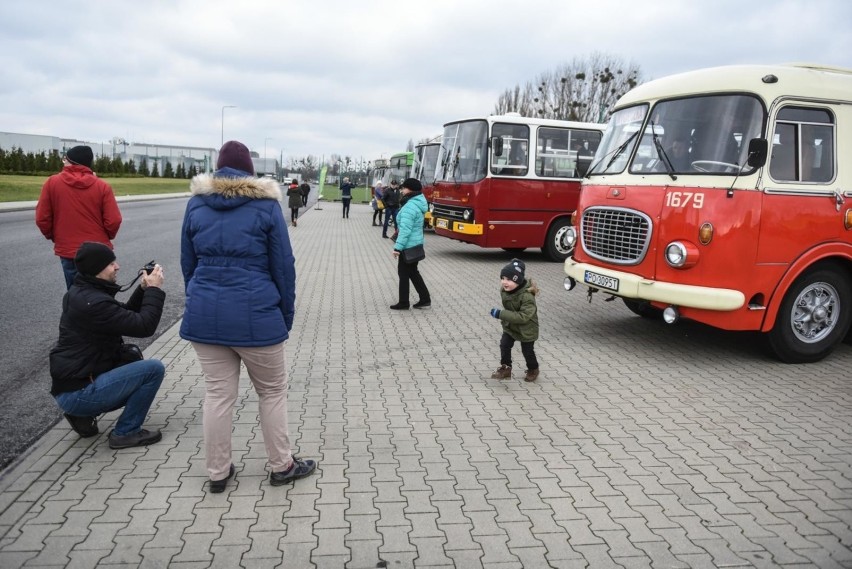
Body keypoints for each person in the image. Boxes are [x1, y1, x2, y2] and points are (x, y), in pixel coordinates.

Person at [180, 140, 317, 493]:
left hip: (205, 317)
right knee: (272, 392)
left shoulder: (196, 205)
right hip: (256, 316)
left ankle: (217, 472)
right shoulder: (266, 207)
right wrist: (284, 315)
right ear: (250, 172)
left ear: (218, 170)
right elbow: (283, 267)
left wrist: (196, 298)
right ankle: (281, 465)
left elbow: (187, 263)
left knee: (217, 396)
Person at [49, 241, 166, 449]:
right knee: (152, 370)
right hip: (78, 392)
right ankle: (126, 432)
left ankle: (80, 415)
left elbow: (125, 315)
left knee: (131, 359)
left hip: (72, 385)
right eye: (111, 263)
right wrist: (154, 290)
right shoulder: (93, 303)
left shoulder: (84, 294)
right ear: (96, 270)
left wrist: (142, 289)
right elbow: (144, 326)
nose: (117, 266)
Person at [35, 145, 123, 289]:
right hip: (98, 250)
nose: (63, 162)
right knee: (100, 294)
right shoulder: (102, 186)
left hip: (69, 249)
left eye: (65, 159)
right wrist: (106, 237)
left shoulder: (52, 183)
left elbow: (42, 218)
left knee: (75, 292)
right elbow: (114, 220)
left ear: (71, 162)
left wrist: (55, 236)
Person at [489, 259, 540, 382]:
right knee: (504, 344)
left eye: (509, 279)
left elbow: (523, 317)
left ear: (518, 280)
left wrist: (501, 314)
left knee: (527, 351)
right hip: (511, 326)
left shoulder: (527, 296)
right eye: (503, 278)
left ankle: (533, 369)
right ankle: (506, 368)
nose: (504, 282)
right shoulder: (505, 290)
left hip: (527, 329)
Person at [390, 178, 431, 310]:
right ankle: (425, 299)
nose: (402, 190)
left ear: (410, 189)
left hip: (408, 245)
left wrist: (397, 248)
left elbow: (405, 230)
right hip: (416, 243)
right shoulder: (418, 202)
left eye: (404, 188)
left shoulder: (410, 206)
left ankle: (403, 302)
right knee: (413, 272)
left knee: (403, 273)